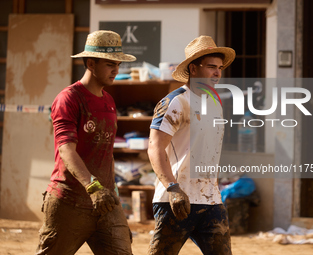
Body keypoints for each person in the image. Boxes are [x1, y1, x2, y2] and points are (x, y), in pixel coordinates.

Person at [36, 30, 136, 255]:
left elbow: (106, 153)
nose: (116, 70)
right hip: (69, 202)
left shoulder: (109, 101)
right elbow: (66, 149)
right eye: (110, 64)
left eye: (118, 64)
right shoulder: (69, 98)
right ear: (91, 63)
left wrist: (113, 195)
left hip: (105, 202)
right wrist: (93, 186)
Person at [147, 35, 236, 255]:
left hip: (211, 200)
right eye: (211, 67)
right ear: (193, 69)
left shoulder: (215, 102)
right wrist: (173, 188)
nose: (217, 73)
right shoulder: (176, 101)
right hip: (176, 201)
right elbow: (155, 148)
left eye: (220, 68)